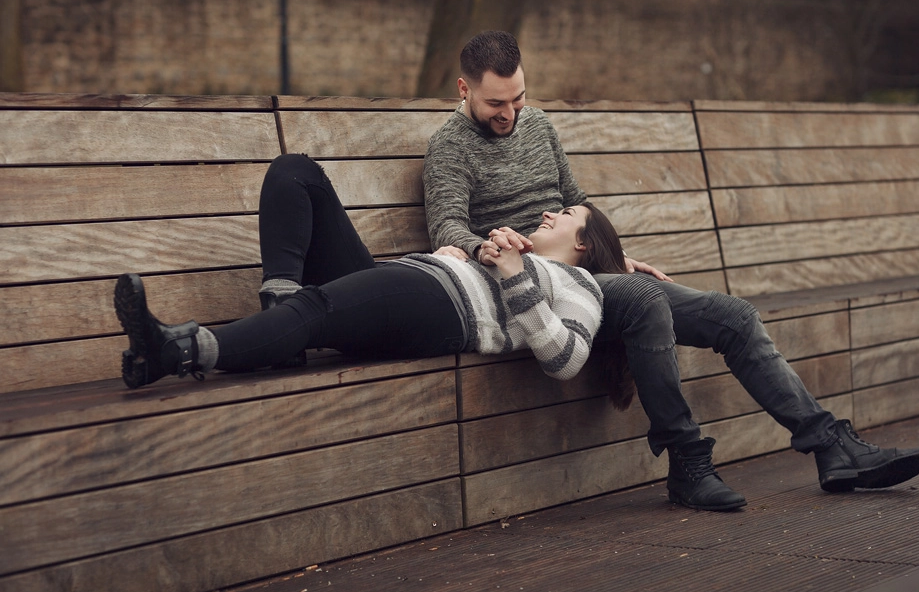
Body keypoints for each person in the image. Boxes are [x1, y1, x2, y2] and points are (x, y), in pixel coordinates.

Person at [422, 30, 919, 512]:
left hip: (588, 272)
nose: (510, 112)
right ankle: (688, 462)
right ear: (464, 88)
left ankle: (832, 445)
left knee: (733, 315)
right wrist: (493, 245)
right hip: (533, 287)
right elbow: (447, 227)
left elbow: (577, 203)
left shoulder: (538, 126)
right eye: (496, 103)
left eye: (519, 98)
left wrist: (612, 257)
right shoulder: (450, 145)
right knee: (645, 302)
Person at [114, 154, 625, 390]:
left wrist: (512, 273)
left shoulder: (581, 287)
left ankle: (177, 351)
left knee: (314, 310)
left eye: (565, 215)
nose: (549, 214)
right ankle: (279, 315)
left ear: (583, 241)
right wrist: (467, 255)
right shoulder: (523, 254)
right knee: (297, 173)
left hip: (442, 310)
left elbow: (567, 360)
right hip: (422, 282)